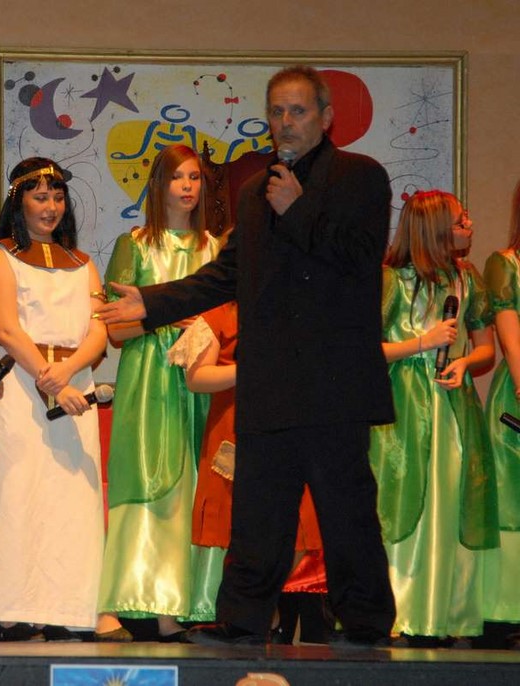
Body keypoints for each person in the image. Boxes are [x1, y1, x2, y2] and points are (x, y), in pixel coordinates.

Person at [99, 65, 397, 646]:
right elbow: (226, 274)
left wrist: (298, 209)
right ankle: (241, 622)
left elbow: (362, 259)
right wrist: (151, 302)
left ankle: (365, 625)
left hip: (334, 383)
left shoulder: (361, 176)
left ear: (326, 117)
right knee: (258, 512)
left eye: (298, 111)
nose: (285, 122)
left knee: (346, 511)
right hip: (268, 379)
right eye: (277, 112)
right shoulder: (256, 190)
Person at [0, 157, 108, 640]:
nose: (51, 207)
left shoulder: (83, 263)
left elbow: (99, 330)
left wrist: (68, 373)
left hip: (74, 385)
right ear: (19, 203)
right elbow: (8, 329)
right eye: (40, 198)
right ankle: (9, 611)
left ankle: (70, 610)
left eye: (57, 197)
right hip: (18, 387)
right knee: (16, 493)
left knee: (72, 498)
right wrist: (53, 380)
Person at [95, 144, 220, 642]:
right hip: (150, 379)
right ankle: (133, 601)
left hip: (204, 377)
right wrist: (167, 317)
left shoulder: (215, 248)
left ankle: (187, 604)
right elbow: (115, 331)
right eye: (178, 178)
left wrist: (205, 326)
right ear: (159, 186)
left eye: (195, 178)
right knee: (149, 480)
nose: (188, 187)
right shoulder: (135, 245)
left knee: (199, 485)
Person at [369, 189, 496, 647]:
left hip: (453, 406)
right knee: (402, 502)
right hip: (404, 405)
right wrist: (422, 343)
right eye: (461, 221)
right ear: (435, 229)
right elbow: (365, 350)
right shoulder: (390, 281)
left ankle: (446, 614)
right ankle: (399, 612)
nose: (470, 227)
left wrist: (464, 362)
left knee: (450, 500)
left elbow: (485, 348)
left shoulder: (468, 279)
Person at [175, 301, 328, 643]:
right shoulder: (221, 313)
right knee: (242, 527)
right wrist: (250, 370)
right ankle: (249, 614)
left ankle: (261, 605)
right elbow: (197, 377)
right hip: (237, 429)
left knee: (303, 523)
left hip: (293, 426)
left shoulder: (298, 307)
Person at [484, 179, 520, 649]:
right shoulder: (505, 264)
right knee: (512, 503)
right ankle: (506, 613)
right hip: (516, 398)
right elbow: (511, 345)